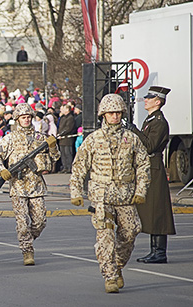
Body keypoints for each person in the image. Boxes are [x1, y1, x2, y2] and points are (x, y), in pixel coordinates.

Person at [70, 94, 150, 293]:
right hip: (101, 195)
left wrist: (141, 190)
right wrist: (76, 191)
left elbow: (143, 165)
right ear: (103, 115)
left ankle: (117, 265)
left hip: (125, 194)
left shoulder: (131, 138)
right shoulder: (93, 139)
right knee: (105, 235)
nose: (114, 116)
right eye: (110, 113)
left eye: (117, 112)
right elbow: (79, 166)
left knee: (131, 232)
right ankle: (110, 276)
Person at [0, 103, 60, 265]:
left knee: (40, 221)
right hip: (18, 186)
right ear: (17, 119)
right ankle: (27, 249)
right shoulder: (10, 138)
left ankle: (28, 239)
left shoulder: (40, 137)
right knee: (22, 223)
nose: (26, 120)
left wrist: (52, 147)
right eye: (23, 117)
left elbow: (55, 158)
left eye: (29, 117)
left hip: (36, 186)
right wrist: (2, 170)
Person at [129, 86, 176, 263]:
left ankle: (160, 252)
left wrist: (134, 130)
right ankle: (154, 251)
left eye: (150, 97)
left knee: (157, 210)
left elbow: (150, 146)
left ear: (158, 101)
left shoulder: (159, 122)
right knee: (151, 211)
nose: (146, 100)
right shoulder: (151, 120)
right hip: (148, 167)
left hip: (154, 167)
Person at [58, 104, 76, 173]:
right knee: (63, 154)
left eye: (63, 108)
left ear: (67, 110)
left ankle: (69, 168)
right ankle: (65, 167)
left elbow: (68, 128)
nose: (61, 110)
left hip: (67, 139)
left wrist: (62, 133)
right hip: (61, 139)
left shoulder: (70, 118)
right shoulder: (63, 117)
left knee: (68, 153)